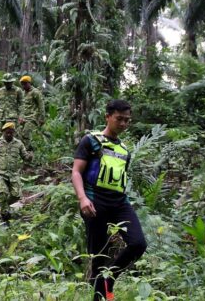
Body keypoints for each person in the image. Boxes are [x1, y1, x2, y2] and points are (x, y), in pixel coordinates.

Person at [71, 99, 147, 301]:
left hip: (120, 202)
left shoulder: (124, 149)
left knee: (138, 243)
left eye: (127, 120)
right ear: (108, 117)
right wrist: (82, 199)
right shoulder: (91, 141)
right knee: (99, 257)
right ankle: (100, 296)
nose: (123, 124)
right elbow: (76, 172)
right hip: (95, 201)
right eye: (119, 119)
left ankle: (110, 278)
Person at [0, 122, 33, 223]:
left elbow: (25, 157)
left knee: (16, 195)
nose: (9, 134)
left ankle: (3, 206)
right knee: (3, 193)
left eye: (11, 132)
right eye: (7, 132)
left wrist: (30, 156)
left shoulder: (19, 144)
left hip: (13, 174)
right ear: (3, 132)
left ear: (14, 133)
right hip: (0, 173)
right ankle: (4, 215)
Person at [18, 75, 45, 150]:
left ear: (29, 83)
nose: (24, 85)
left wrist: (42, 118)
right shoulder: (23, 93)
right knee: (19, 135)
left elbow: (41, 105)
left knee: (26, 134)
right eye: (22, 84)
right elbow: (21, 106)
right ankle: (27, 151)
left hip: (32, 117)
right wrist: (20, 117)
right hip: (23, 118)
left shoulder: (35, 92)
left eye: (25, 83)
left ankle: (28, 152)